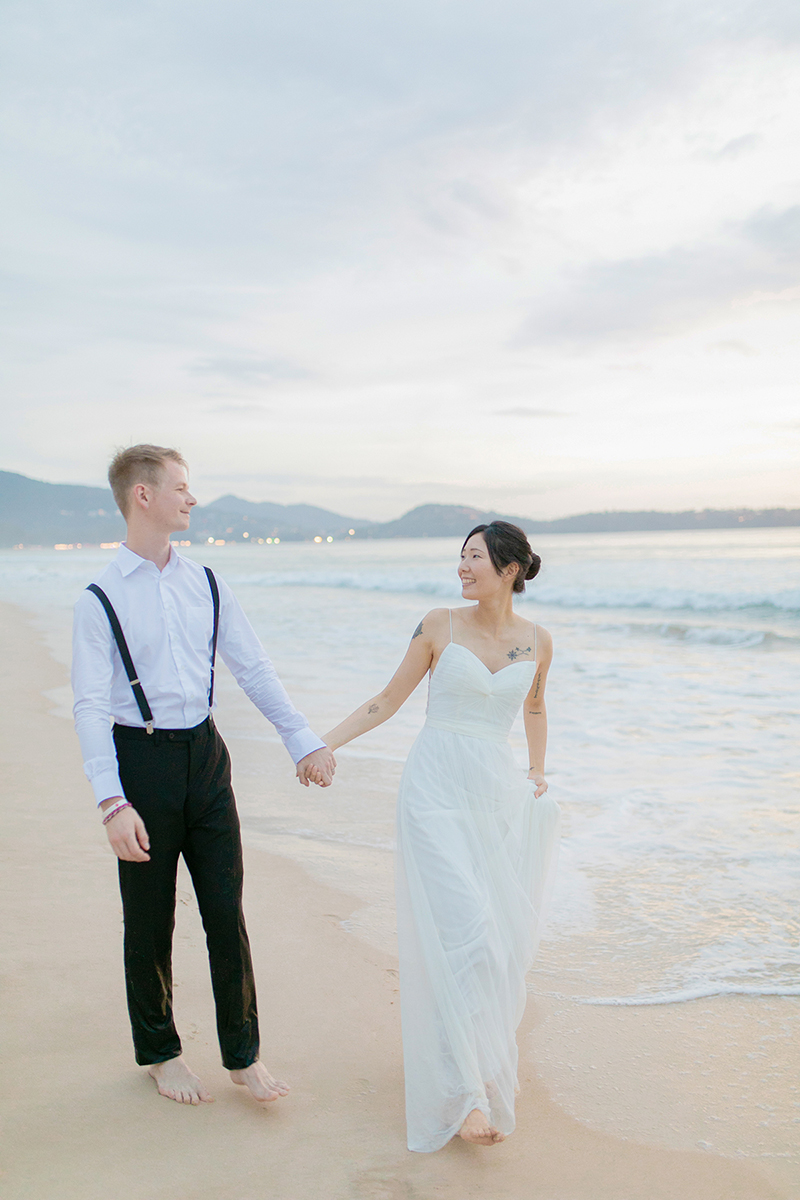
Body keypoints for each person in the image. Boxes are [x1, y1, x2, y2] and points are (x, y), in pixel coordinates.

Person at [72, 444, 336, 1106]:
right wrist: (112, 802)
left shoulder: (207, 582)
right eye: (181, 488)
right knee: (149, 919)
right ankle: (160, 1054)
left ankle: (242, 1056)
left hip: (207, 757)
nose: (191, 498)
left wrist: (300, 739)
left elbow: (253, 667)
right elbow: (87, 707)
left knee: (225, 909)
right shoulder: (99, 597)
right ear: (143, 496)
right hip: (141, 762)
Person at [323, 521, 560, 1151]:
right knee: (471, 927)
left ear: (509, 569)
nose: (462, 567)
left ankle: (458, 1063)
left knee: (487, 940)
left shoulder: (539, 641)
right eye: (461, 557)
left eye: (474, 557)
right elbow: (387, 699)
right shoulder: (437, 626)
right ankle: (468, 1095)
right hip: (433, 792)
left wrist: (536, 772)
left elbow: (534, 708)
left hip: (494, 794)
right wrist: (324, 744)